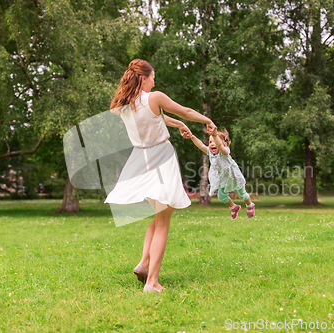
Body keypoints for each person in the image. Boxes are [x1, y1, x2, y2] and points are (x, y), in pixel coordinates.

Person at [105, 59, 216, 293]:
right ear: (143, 77)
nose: (155, 81)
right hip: (160, 159)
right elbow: (184, 110)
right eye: (153, 77)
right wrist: (207, 120)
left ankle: (144, 264)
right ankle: (152, 282)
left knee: (158, 216)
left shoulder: (128, 104)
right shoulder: (154, 97)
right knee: (164, 221)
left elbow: (159, 117)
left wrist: (177, 125)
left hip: (140, 159)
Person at [185, 127, 255, 220]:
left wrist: (215, 135)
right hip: (223, 179)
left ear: (225, 144)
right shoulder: (210, 153)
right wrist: (192, 137)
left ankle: (250, 205)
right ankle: (233, 207)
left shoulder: (224, 152)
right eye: (210, 142)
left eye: (215, 141)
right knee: (221, 196)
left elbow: (220, 146)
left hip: (234, 177)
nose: (212, 144)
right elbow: (201, 145)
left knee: (242, 194)